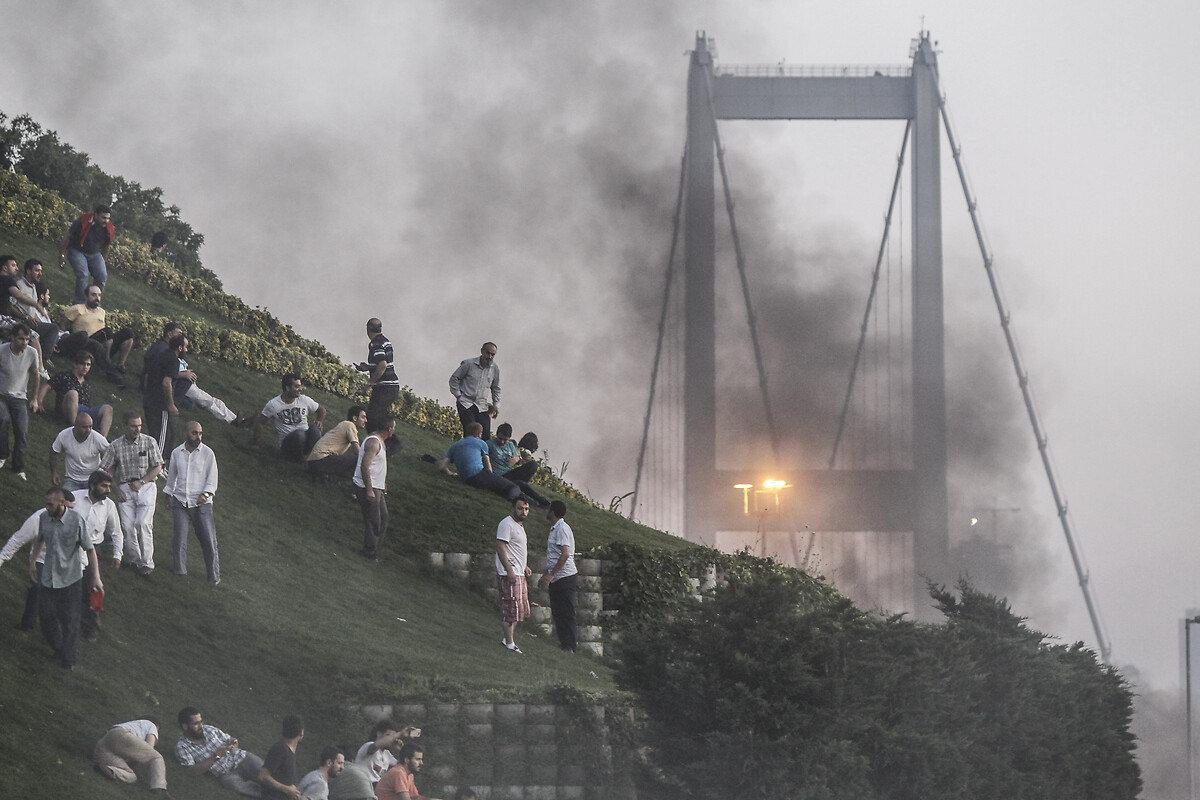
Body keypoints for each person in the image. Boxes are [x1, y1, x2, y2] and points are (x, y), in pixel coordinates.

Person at [29, 486, 104, 669]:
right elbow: (40, 539)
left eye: (50, 504)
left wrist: (96, 577)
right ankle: (60, 647)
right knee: (46, 616)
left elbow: (90, 549)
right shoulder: (44, 518)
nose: (47, 507)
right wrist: (32, 562)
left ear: (62, 503)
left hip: (71, 579)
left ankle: (67, 660)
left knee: (70, 620)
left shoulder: (76, 521)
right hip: (48, 577)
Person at [101, 410, 164, 575]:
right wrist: (115, 489)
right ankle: (134, 561)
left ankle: (147, 563)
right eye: (133, 426)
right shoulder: (115, 445)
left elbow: (158, 466)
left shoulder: (149, 442)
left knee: (143, 523)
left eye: (139, 426)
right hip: (124, 487)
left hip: (146, 485)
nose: (137, 429)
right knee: (127, 526)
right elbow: (106, 471)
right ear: (125, 426)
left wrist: (142, 481)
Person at [165, 421, 220, 585]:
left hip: (201, 503)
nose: (198, 436)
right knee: (179, 537)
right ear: (186, 433)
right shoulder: (177, 452)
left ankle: (214, 576)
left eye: (200, 433)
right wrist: (168, 494)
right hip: (180, 500)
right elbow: (172, 476)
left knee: (208, 540)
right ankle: (179, 572)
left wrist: (206, 493)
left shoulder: (208, 453)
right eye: (194, 433)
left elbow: (212, 478)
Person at [71, 469, 123, 642]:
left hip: (93, 549)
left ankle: (92, 626)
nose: (108, 490)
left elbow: (116, 532)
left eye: (109, 486)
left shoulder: (109, 505)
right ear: (93, 485)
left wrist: (118, 553)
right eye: (104, 486)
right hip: (71, 547)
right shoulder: (75, 498)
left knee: (94, 590)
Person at [175, 706, 266, 797]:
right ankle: (267, 794)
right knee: (233, 785)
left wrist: (233, 743)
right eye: (196, 724)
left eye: (201, 722)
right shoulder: (182, 747)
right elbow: (192, 771)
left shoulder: (209, 729)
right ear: (185, 726)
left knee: (268, 775)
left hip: (242, 758)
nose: (201, 726)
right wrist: (215, 756)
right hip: (226, 772)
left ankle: (271, 788)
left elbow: (231, 739)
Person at [58, 285, 133, 386]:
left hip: (104, 344)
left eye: (99, 295)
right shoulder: (78, 309)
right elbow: (63, 324)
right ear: (86, 296)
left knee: (127, 333)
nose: (97, 298)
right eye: (93, 295)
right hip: (86, 343)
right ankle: (110, 370)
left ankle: (119, 364)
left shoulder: (102, 312)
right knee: (106, 332)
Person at [440, 423, 521, 503]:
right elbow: (488, 465)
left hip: (466, 479)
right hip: (479, 474)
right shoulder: (481, 443)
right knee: (513, 487)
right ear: (479, 434)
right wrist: (491, 476)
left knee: (497, 486)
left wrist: (450, 473)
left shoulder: (455, 445)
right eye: (481, 433)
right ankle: (512, 500)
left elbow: (442, 466)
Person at [0, 505, 51, 631]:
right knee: (37, 588)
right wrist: (1, 558)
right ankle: (27, 624)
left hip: (67, 562)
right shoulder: (37, 520)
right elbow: (17, 540)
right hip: (42, 559)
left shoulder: (74, 519)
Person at [0, 323, 40, 480]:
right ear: (12, 337)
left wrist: (35, 399)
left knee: (22, 431)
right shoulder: (2, 350)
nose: (24, 342)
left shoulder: (32, 352)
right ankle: (3, 454)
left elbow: (36, 375)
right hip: (1, 395)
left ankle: (18, 467)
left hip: (19, 398)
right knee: (3, 419)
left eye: (27, 339)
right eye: (21, 339)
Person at [537, 500, 578, 652]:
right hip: (556, 576)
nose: (547, 512)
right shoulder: (555, 529)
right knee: (558, 612)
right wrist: (547, 574)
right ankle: (564, 644)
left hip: (565, 576)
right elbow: (554, 556)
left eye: (549, 510)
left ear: (553, 512)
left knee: (566, 612)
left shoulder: (561, 529)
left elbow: (565, 554)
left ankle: (570, 647)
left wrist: (551, 575)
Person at [353, 416, 395, 561]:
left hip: (378, 486)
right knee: (373, 520)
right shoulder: (373, 442)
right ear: (389, 429)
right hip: (367, 486)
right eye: (393, 428)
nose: (394, 431)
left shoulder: (381, 442)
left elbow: (377, 466)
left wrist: (382, 483)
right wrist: (369, 490)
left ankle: (374, 550)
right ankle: (369, 551)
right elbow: (365, 466)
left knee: (383, 518)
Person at [256, 374, 326, 461]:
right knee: (299, 434)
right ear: (287, 388)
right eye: (296, 387)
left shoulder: (304, 399)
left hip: (305, 440)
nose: (300, 389)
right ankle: (298, 459)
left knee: (315, 430)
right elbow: (260, 422)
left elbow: (321, 409)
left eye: (300, 386)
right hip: (288, 444)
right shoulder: (273, 404)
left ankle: (316, 459)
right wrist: (257, 441)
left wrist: (319, 421)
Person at [44, 351, 113, 434]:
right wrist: (38, 401)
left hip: (84, 411)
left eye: (88, 365)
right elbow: (47, 386)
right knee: (73, 393)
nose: (85, 367)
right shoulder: (65, 375)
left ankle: (101, 441)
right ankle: (74, 428)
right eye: (83, 364)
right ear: (76, 364)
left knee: (107, 408)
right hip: (66, 407)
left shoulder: (87, 383)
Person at [496, 496, 532, 653]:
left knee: (519, 609)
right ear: (513, 507)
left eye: (526, 509)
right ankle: (509, 643)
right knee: (511, 609)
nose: (523, 511)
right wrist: (509, 570)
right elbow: (501, 547)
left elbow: (516, 550)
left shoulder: (520, 526)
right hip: (509, 573)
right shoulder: (506, 524)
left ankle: (507, 638)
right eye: (520, 508)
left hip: (519, 572)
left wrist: (524, 566)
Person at [93, 717, 169, 792]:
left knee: (132, 776)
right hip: (123, 735)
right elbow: (149, 750)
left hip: (105, 743)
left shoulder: (132, 724)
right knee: (156, 757)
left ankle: (109, 770)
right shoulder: (151, 725)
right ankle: (159, 786)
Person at [62, 204, 115, 303]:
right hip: (77, 250)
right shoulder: (83, 221)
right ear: (95, 215)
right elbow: (68, 236)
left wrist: (103, 260)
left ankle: (94, 301)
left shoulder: (108, 228)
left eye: (108, 218)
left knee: (102, 275)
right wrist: (62, 254)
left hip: (95, 253)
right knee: (83, 274)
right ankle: (80, 303)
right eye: (103, 218)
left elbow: (107, 245)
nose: (106, 221)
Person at [448, 342, 500, 440]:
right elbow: (454, 379)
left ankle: (482, 455)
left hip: (482, 406)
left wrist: (496, 405)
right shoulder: (468, 364)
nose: (490, 356)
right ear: (482, 351)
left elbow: (496, 388)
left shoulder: (494, 369)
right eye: (487, 353)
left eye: (492, 354)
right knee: (471, 433)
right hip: (465, 403)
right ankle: (465, 454)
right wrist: (458, 395)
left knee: (486, 436)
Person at [488, 423, 549, 507]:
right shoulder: (490, 444)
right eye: (500, 438)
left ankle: (519, 490)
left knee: (533, 465)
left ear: (509, 438)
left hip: (509, 473)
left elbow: (519, 456)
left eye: (505, 440)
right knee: (520, 483)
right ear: (497, 434)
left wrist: (516, 459)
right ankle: (540, 501)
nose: (502, 442)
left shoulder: (510, 445)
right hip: (499, 476)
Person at [357, 318, 400, 430]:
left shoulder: (375, 343)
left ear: (368, 329)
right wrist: (367, 367)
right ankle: (386, 440)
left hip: (384, 387)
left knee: (372, 419)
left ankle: (377, 443)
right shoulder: (386, 341)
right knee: (381, 418)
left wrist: (369, 384)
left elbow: (382, 365)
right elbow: (384, 363)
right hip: (392, 386)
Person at [50, 411, 111, 491]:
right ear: (76, 426)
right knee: (66, 500)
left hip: (93, 479)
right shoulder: (64, 435)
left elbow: (111, 455)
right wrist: (54, 472)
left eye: (90, 427)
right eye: (84, 427)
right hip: (71, 479)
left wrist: (104, 475)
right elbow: (54, 452)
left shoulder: (98, 438)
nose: (88, 430)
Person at [306, 406, 367, 477]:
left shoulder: (345, 425)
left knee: (354, 460)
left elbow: (353, 450)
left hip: (313, 461)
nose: (366, 420)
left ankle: (325, 475)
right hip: (320, 459)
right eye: (363, 417)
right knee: (360, 459)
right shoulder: (350, 425)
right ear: (355, 418)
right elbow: (358, 452)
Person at [353, 720, 417, 784]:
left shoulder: (387, 754)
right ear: (379, 734)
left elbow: (403, 767)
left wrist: (401, 750)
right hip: (363, 784)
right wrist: (400, 734)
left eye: (393, 736)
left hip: (377, 788)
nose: (392, 739)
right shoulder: (368, 745)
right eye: (389, 735)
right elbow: (373, 748)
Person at [259, 715, 305, 800]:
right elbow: (263, 776)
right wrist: (287, 789)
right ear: (301, 733)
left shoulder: (289, 752)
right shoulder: (280, 749)